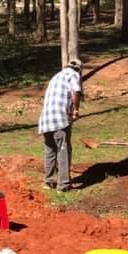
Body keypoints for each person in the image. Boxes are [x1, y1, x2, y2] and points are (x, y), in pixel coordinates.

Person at [38, 58, 82, 191]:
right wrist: (76, 110)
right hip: (59, 118)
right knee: (63, 149)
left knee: (50, 150)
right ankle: (64, 185)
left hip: (46, 119)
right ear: (79, 69)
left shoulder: (56, 76)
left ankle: (49, 181)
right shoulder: (74, 75)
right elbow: (76, 92)